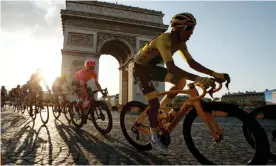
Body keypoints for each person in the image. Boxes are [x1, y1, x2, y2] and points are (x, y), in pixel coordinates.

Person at [133, 13, 228, 154]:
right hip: (140, 69)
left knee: (181, 82)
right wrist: (197, 79)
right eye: (189, 28)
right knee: (153, 102)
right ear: (177, 28)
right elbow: (171, 68)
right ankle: (154, 139)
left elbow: (192, 63)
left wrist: (213, 74)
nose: (191, 33)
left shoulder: (181, 44)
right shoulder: (163, 39)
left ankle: (163, 111)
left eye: (193, 29)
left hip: (152, 68)